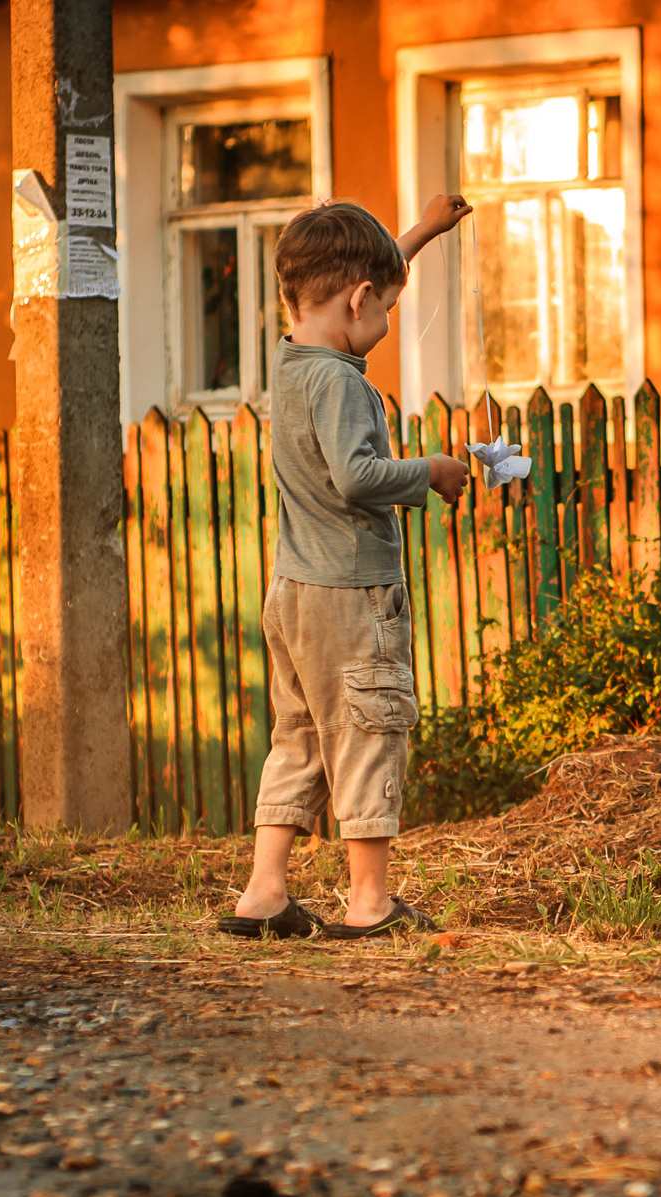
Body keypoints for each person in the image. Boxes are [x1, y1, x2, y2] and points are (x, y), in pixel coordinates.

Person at [217, 195, 472, 941]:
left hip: (293, 593)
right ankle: (369, 901)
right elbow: (357, 477)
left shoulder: (293, 360)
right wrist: (429, 472)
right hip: (351, 595)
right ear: (359, 300)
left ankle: (264, 892)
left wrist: (421, 232)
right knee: (370, 728)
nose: (389, 323)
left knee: (297, 738)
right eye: (385, 309)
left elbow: (364, 276)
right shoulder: (341, 382)